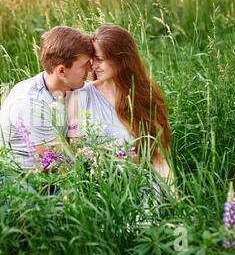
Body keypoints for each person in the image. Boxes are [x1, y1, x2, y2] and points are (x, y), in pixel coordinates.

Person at [67, 25, 175, 195]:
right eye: (92, 60)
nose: (93, 66)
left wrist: (177, 203)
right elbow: (74, 153)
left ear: (121, 59)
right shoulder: (79, 97)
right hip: (96, 192)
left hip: (140, 188)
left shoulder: (144, 96)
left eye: (100, 60)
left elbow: (159, 158)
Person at [0, 26, 94, 171]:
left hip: (51, 173)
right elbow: (66, 161)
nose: (90, 69)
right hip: (17, 175)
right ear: (61, 71)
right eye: (84, 65)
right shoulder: (30, 102)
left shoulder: (74, 87)